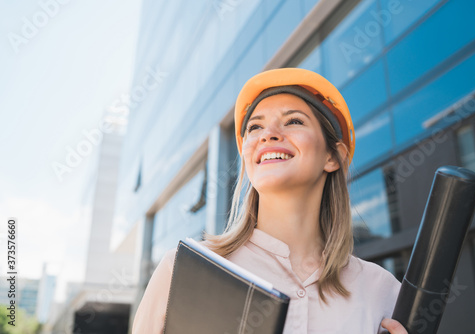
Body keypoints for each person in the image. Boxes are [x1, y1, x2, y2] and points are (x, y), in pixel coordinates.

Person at [132, 68, 408, 334]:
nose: (268, 134)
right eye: (255, 127)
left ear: (332, 157)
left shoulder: (382, 292)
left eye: (294, 121)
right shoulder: (182, 272)